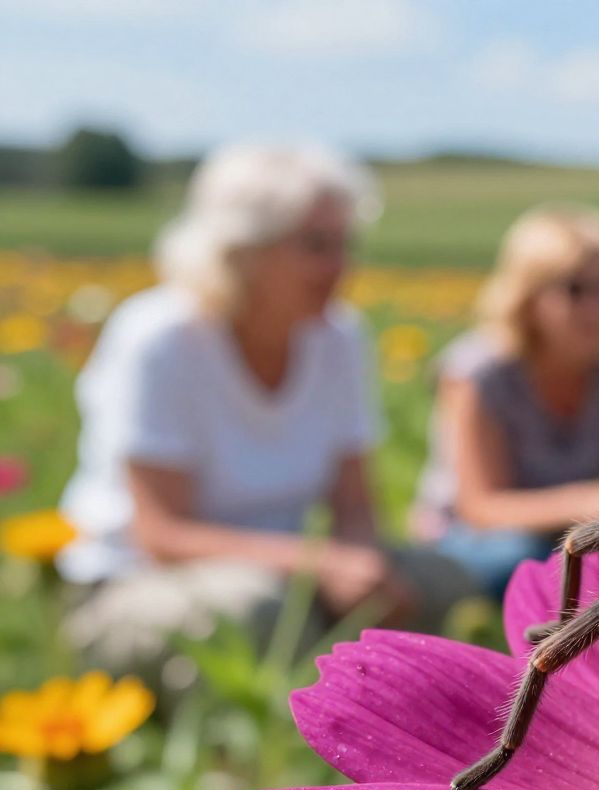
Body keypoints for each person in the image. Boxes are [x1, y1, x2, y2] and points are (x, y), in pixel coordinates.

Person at [59, 143, 477, 681]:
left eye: (345, 243)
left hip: (292, 576)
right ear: (243, 251)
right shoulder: (160, 339)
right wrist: (319, 562)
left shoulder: (340, 337)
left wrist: (361, 567)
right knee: (257, 615)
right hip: (135, 586)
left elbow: (355, 505)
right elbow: (161, 535)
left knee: (442, 582)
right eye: (315, 245)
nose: (339, 265)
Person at [412, 204, 599, 597]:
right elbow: (479, 507)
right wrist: (583, 503)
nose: (596, 306)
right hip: (474, 539)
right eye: (575, 289)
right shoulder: (478, 372)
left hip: (579, 538)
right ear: (528, 293)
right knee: (523, 559)